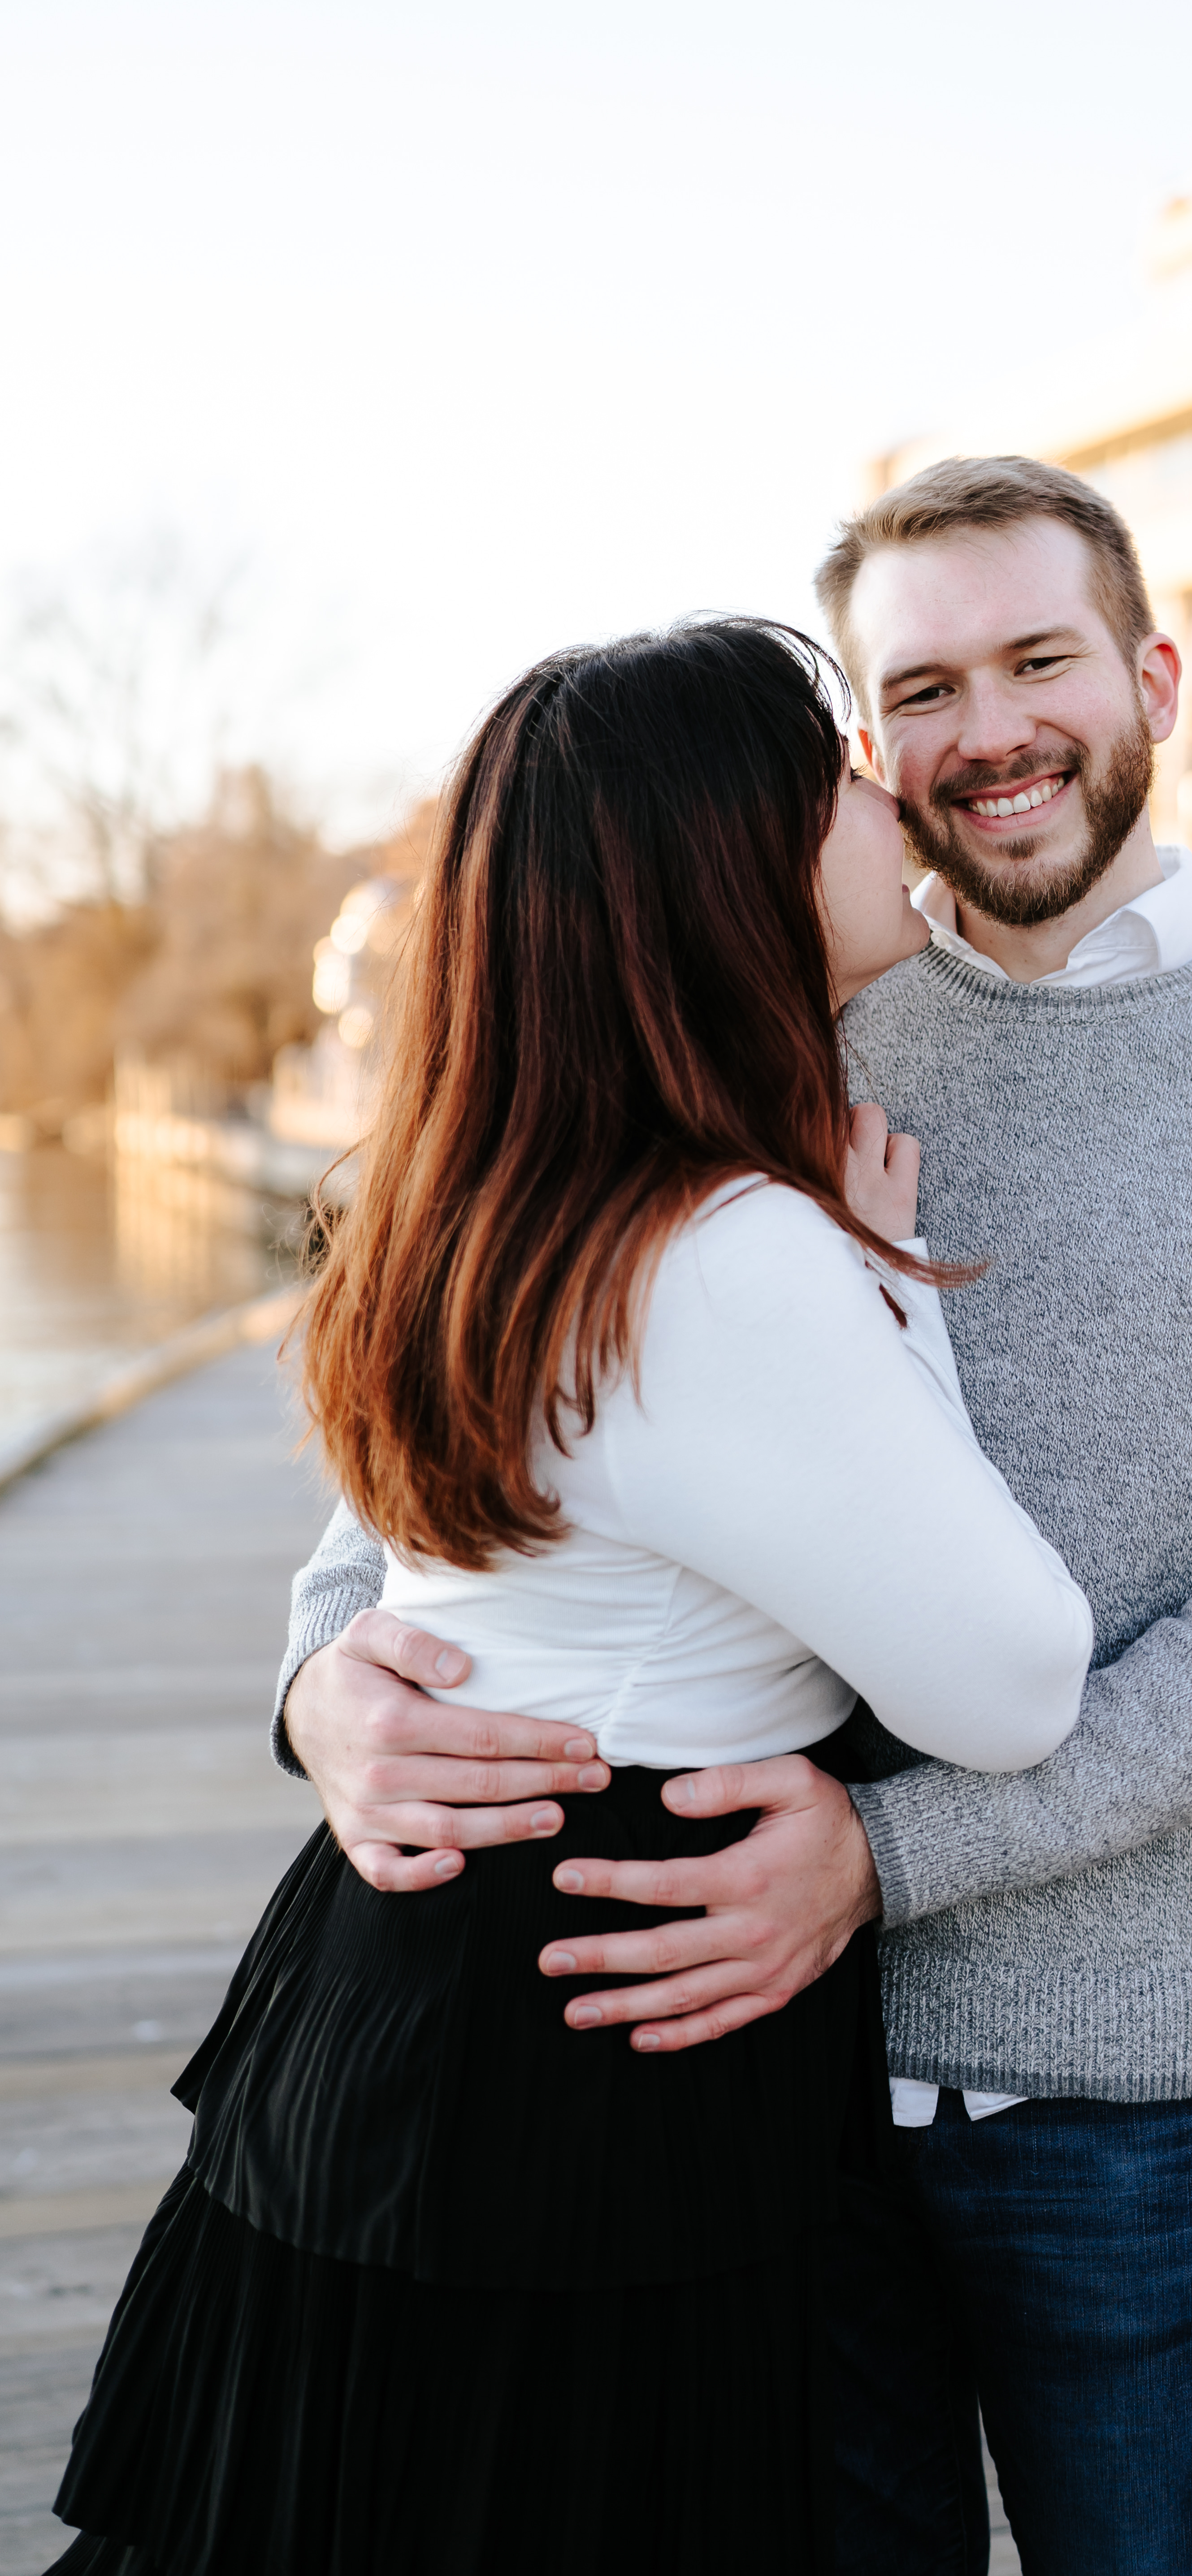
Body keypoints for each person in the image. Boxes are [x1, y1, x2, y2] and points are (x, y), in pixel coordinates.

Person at [272, 459, 1192, 2575]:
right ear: (866, 748)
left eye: (1040, 662)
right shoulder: (771, 1003)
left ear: (1156, 679)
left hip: (1118, 2074)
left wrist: (884, 1859)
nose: (987, 732)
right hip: (749, 2075)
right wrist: (321, 1685)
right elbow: (482, 1406)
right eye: (920, 690)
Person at [45, 618, 1096, 2576]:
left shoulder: (489, 1188)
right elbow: (1013, 1684)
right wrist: (891, 1283)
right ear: (734, 865)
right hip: (598, 2041)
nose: (889, 795)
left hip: (404, 1994)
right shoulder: (731, 1252)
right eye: (841, 778)